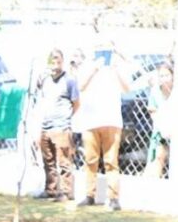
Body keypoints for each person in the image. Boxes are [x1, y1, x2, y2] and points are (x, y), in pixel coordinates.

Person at [75, 41, 131, 210]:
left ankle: (113, 198)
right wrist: (94, 68)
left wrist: (116, 68)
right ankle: (89, 195)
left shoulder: (117, 65)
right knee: (90, 160)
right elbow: (80, 86)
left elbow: (127, 88)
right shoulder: (88, 65)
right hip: (90, 120)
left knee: (111, 161)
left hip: (111, 120)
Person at [34, 48, 80, 202]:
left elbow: (76, 103)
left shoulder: (69, 80)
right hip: (46, 125)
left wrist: (66, 117)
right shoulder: (45, 79)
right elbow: (40, 98)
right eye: (52, 60)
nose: (55, 63)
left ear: (62, 61)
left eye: (58, 60)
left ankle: (66, 192)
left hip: (61, 127)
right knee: (48, 161)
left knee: (64, 162)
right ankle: (51, 189)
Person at [143, 62, 178, 179]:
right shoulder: (155, 91)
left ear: (173, 76)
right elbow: (153, 112)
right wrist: (162, 127)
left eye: (167, 75)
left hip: (176, 127)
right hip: (161, 128)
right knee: (158, 156)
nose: (164, 78)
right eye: (161, 76)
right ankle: (154, 179)